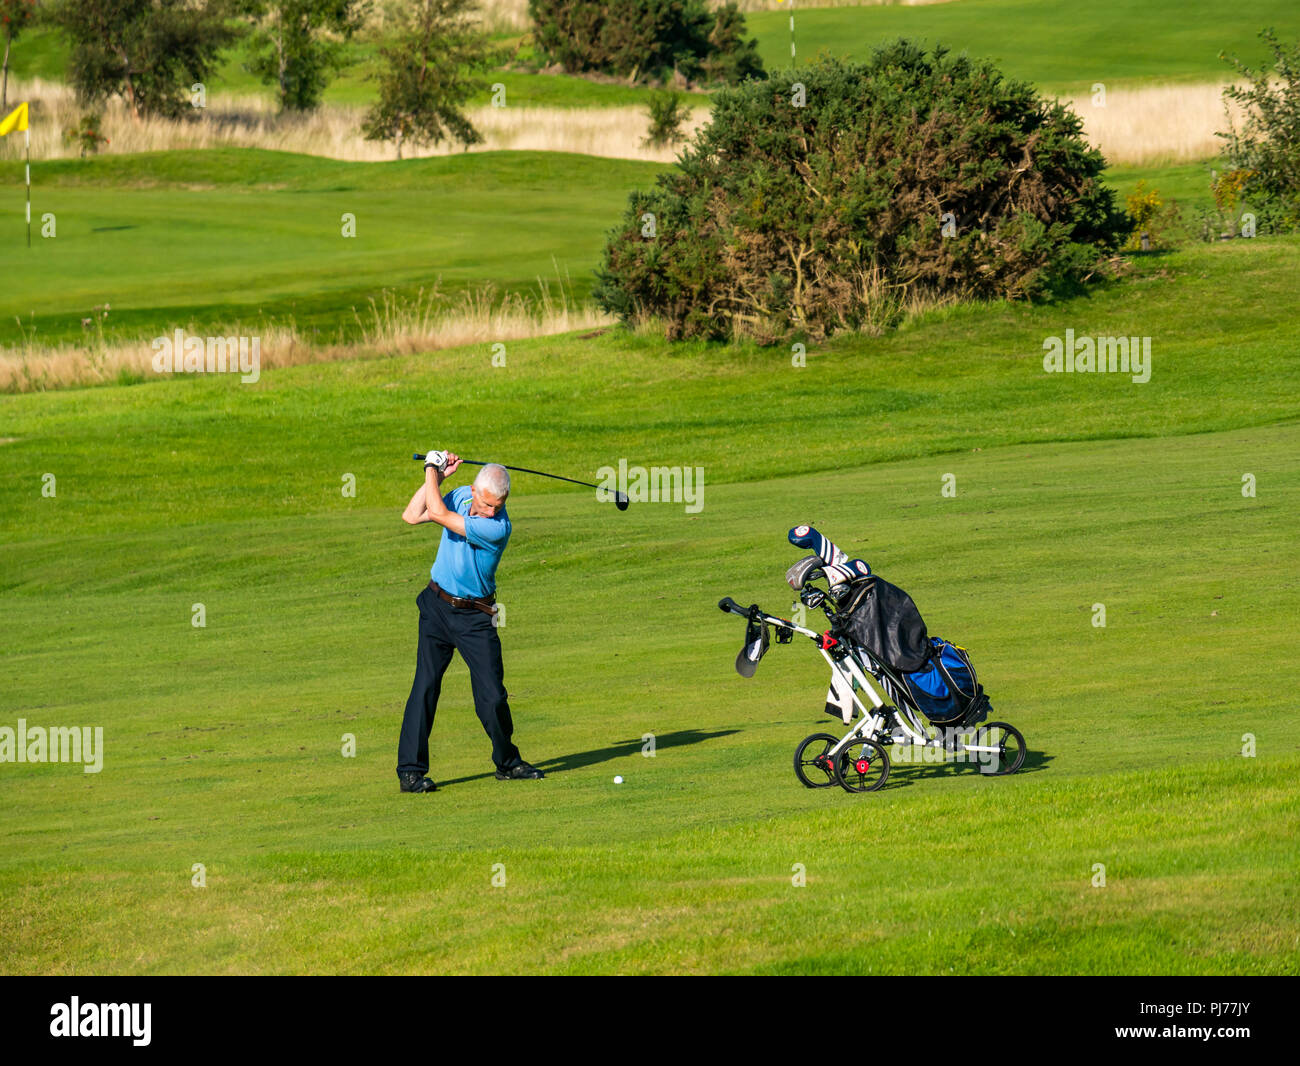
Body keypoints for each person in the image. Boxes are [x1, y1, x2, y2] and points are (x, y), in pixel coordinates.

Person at [395, 451, 544, 793]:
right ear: (475, 490)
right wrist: (439, 478)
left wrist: (431, 468)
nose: (492, 510)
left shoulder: (496, 528)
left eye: (499, 504)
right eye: (488, 502)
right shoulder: (461, 494)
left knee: (491, 697)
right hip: (436, 606)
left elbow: (436, 512)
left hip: (475, 618)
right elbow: (412, 515)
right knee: (425, 686)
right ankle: (410, 772)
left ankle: (507, 762)